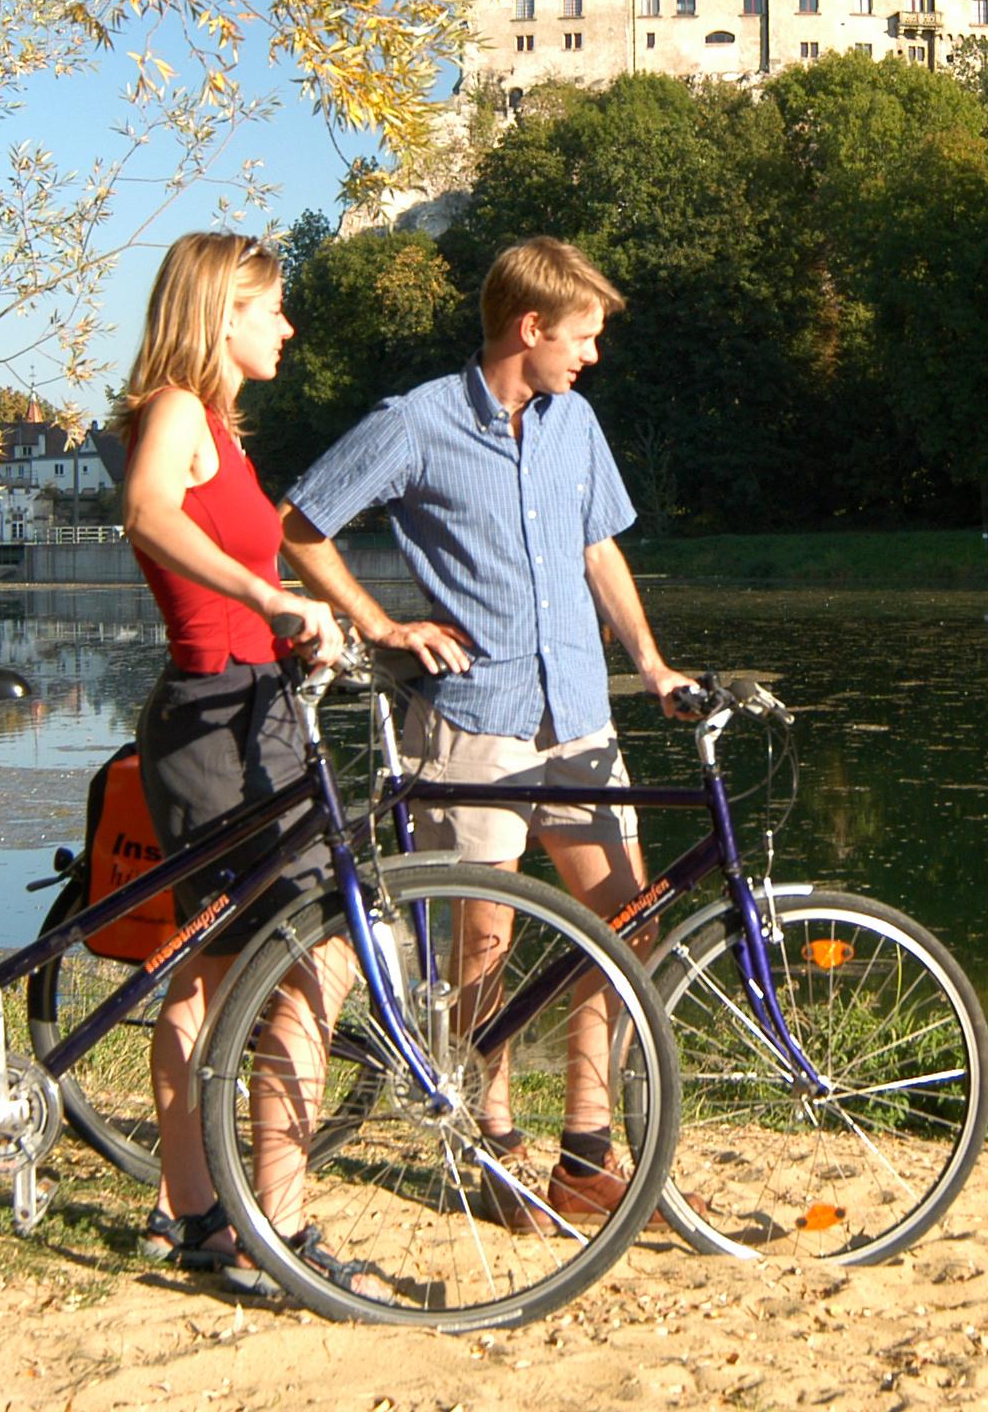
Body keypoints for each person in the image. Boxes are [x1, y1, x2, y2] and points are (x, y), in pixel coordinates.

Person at [279, 235, 691, 1225]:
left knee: (628, 924)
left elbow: (598, 547)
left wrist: (649, 663)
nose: (590, 355)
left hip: (579, 715)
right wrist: (379, 624)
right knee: (482, 943)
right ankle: (489, 1133)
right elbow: (299, 522)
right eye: (580, 336)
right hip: (470, 718)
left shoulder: (573, 420)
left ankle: (586, 1142)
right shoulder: (415, 422)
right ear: (530, 326)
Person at [114, 231, 358, 1289]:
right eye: (271, 306)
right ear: (218, 312)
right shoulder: (175, 410)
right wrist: (266, 598)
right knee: (276, 966)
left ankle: (205, 1213)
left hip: (250, 707)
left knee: (242, 971)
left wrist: (320, 625)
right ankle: (258, 1225)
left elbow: (235, 549)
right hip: (215, 718)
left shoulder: (221, 426)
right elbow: (147, 511)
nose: (288, 325)